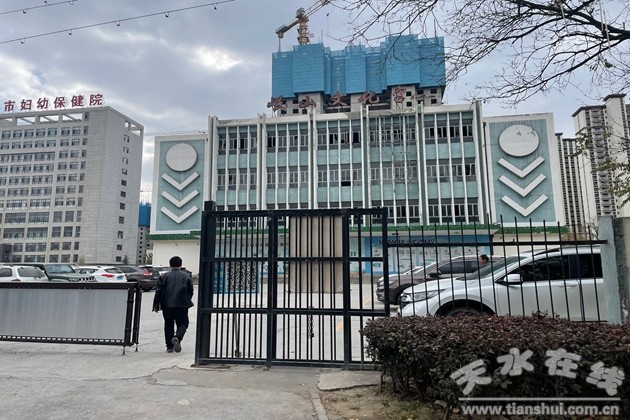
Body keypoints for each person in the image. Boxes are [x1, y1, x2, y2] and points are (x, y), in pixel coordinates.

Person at [152, 256, 194, 353]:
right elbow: (190, 290)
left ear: (170, 265)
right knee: (183, 323)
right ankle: (177, 337)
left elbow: (158, 291)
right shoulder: (186, 276)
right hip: (182, 304)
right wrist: (187, 300)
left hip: (167, 304)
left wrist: (156, 304)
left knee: (168, 325)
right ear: (181, 264)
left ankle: (169, 347)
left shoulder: (164, 276)